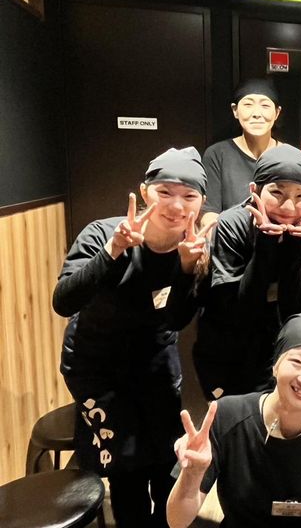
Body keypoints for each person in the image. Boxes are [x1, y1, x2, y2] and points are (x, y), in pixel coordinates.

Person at [54, 147, 211, 528]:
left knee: (166, 459)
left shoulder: (194, 246)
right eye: (165, 192)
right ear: (144, 192)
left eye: (189, 195)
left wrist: (186, 270)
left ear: (201, 201)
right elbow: (64, 301)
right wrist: (114, 250)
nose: (177, 206)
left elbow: (177, 320)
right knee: (126, 469)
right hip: (97, 367)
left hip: (154, 363)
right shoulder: (102, 232)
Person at [167, 312, 301, 528]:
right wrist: (192, 474)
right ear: (275, 366)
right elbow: (177, 521)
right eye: (296, 361)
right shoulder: (228, 416)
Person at [194, 145, 301, 399]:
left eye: (300, 196)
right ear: (254, 190)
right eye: (277, 192)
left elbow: (296, 311)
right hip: (226, 353)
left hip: (278, 353)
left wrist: (295, 249)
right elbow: (238, 309)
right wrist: (266, 243)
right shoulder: (232, 223)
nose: (288, 207)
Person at [201, 77, 283, 228]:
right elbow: (209, 213)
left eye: (265, 105)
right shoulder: (217, 154)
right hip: (229, 239)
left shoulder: (291, 157)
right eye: (248, 104)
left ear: (277, 113)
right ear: (235, 110)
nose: (257, 113)